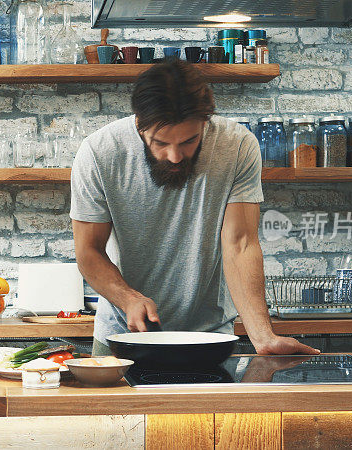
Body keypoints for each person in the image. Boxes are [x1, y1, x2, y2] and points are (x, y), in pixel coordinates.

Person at [70, 60, 318, 356]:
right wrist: (128, 298)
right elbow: (88, 252)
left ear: (205, 121)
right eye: (160, 143)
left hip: (210, 338)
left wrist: (263, 336)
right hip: (123, 337)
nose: (175, 156)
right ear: (139, 122)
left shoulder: (238, 146)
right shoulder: (100, 152)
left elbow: (240, 244)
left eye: (189, 141)